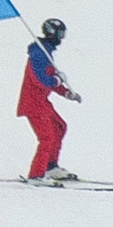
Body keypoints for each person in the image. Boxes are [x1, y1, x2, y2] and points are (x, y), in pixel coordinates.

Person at [19, 18, 82, 184]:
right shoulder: (38, 54)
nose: (61, 38)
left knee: (60, 127)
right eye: (60, 33)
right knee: (47, 137)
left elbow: (51, 79)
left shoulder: (46, 53)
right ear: (51, 32)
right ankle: (36, 175)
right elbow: (41, 80)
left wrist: (67, 93)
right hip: (33, 103)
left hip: (42, 103)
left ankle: (51, 167)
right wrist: (57, 80)